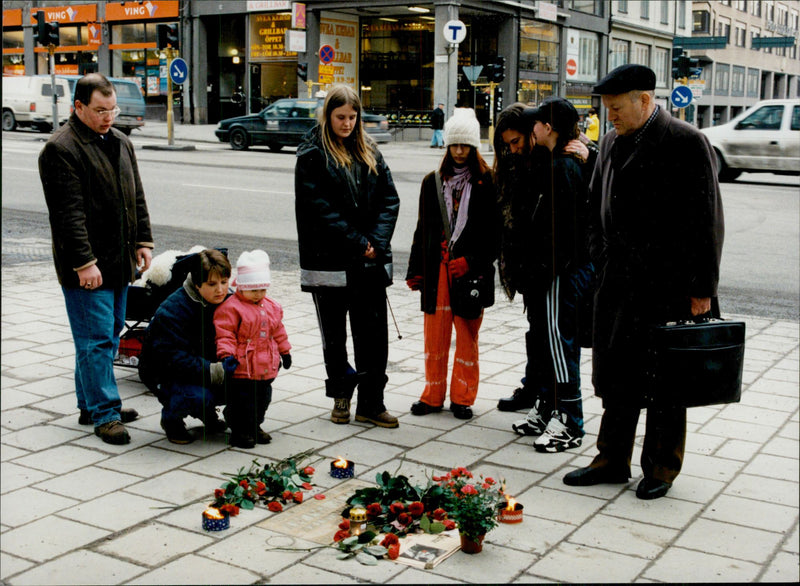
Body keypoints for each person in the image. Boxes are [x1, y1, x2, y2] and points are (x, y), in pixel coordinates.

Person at [562, 64, 724, 499]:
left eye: (615, 108)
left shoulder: (687, 142)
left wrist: (702, 290)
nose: (608, 116)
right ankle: (611, 459)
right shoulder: (613, 140)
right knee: (616, 374)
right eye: (606, 108)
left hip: (668, 284)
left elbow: (708, 222)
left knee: (667, 379)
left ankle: (661, 468)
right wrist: (599, 256)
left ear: (645, 101)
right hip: (617, 280)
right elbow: (595, 204)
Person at [39, 73, 153, 445]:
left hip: (120, 260)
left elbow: (135, 196)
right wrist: (83, 263)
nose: (109, 117)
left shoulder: (120, 141)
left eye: (113, 109)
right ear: (79, 107)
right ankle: (105, 413)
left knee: (105, 334)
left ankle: (90, 403)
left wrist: (143, 241)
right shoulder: (61, 148)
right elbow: (67, 216)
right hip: (87, 266)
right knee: (96, 340)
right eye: (101, 110)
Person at [295, 84, 401, 428]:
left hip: (368, 260)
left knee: (374, 336)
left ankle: (372, 402)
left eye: (352, 117)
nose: (347, 124)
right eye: (340, 117)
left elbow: (390, 199)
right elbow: (319, 211)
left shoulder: (369, 150)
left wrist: (376, 241)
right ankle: (341, 396)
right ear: (328, 116)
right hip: (330, 261)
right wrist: (360, 241)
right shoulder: (312, 154)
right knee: (335, 336)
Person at [503, 97, 595, 452]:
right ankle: (548, 407)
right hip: (550, 272)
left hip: (559, 273)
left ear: (548, 128)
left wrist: (546, 270)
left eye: (538, 124)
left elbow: (561, 231)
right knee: (545, 338)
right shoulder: (555, 162)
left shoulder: (564, 166)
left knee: (558, 341)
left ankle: (569, 419)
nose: (533, 129)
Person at [406, 108, 500, 420]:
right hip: (437, 272)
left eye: (465, 146)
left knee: (467, 336)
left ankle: (462, 397)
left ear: (474, 148)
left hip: (469, 275)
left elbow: (495, 235)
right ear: (447, 147)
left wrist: (472, 262)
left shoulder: (487, 183)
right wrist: (415, 270)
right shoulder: (431, 182)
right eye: (454, 145)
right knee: (434, 337)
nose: (459, 151)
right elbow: (422, 230)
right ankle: (432, 395)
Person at [139, 249, 232, 444]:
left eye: (224, 282)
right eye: (212, 284)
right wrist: (215, 371)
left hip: (204, 363)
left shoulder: (228, 301)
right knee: (197, 395)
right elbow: (173, 360)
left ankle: (209, 414)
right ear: (197, 284)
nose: (221, 290)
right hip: (165, 372)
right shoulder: (173, 311)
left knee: (250, 381)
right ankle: (172, 420)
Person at [214, 250, 292, 449]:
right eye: (253, 290)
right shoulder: (231, 308)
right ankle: (239, 429)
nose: (258, 295)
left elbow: (278, 330)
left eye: (262, 290)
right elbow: (225, 334)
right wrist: (226, 355)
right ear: (241, 287)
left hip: (266, 365)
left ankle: (255, 425)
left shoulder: (271, 307)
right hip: (243, 366)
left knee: (263, 398)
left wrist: (285, 350)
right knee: (242, 400)